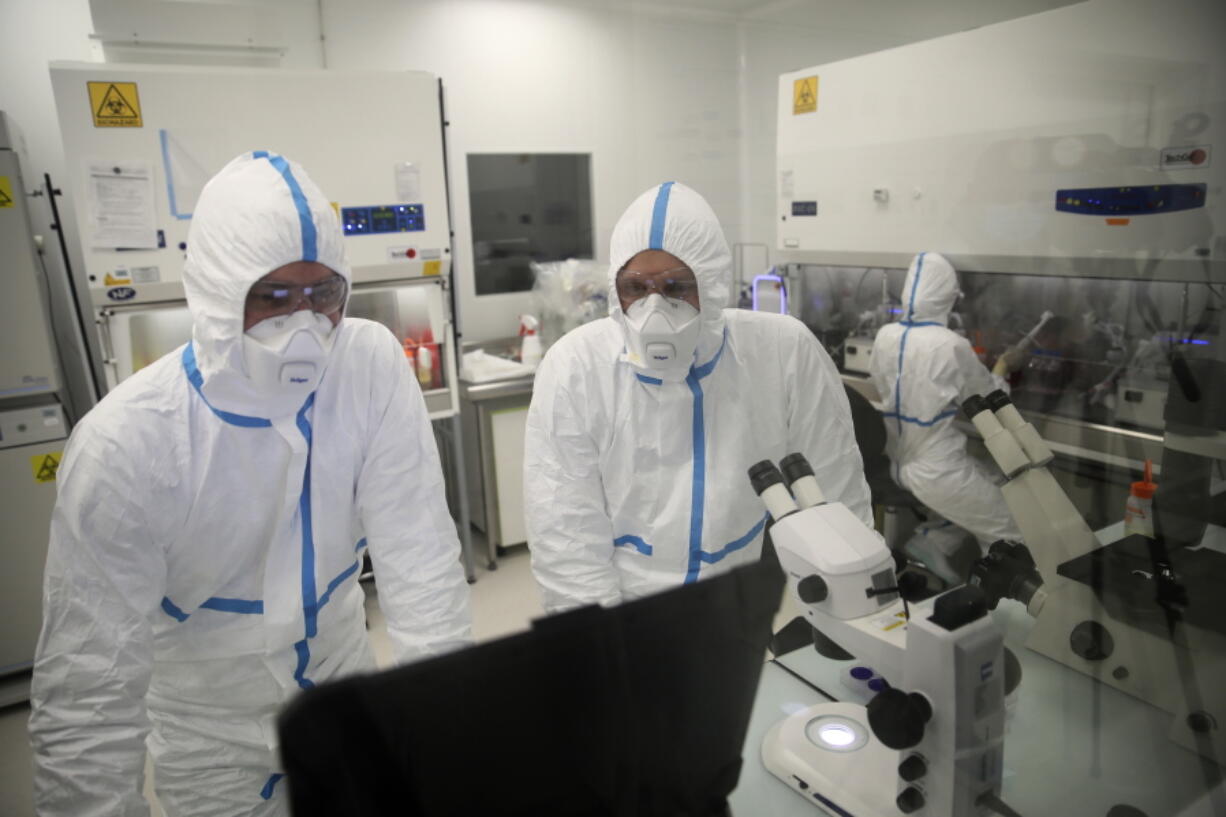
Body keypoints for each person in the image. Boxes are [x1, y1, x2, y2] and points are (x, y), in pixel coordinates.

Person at [29, 152, 473, 817]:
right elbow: (90, 696)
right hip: (214, 750)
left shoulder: (369, 366)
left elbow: (421, 563)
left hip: (346, 702)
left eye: (322, 293)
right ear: (214, 293)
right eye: (271, 297)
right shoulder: (126, 445)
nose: (303, 327)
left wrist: (444, 731)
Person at [523, 181, 872, 613]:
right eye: (635, 289)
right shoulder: (576, 367)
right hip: (625, 608)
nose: (654, 312)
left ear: (713, 286)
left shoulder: (782, 353)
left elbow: (838, 493)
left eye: (675, 289)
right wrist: (604, 649)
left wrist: (854, 609)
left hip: (735, 603)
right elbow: (567, 538)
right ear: (615, 293)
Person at [868, 251, 1024, 550]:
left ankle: (931, 542)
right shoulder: (951, 344)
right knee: (1015, 532)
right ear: (947, 297)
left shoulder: (884, 336)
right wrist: (1004, 365)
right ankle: (1004, 591)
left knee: (995, 485)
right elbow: (991, 402)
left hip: (896, 461)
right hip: (937, 471)